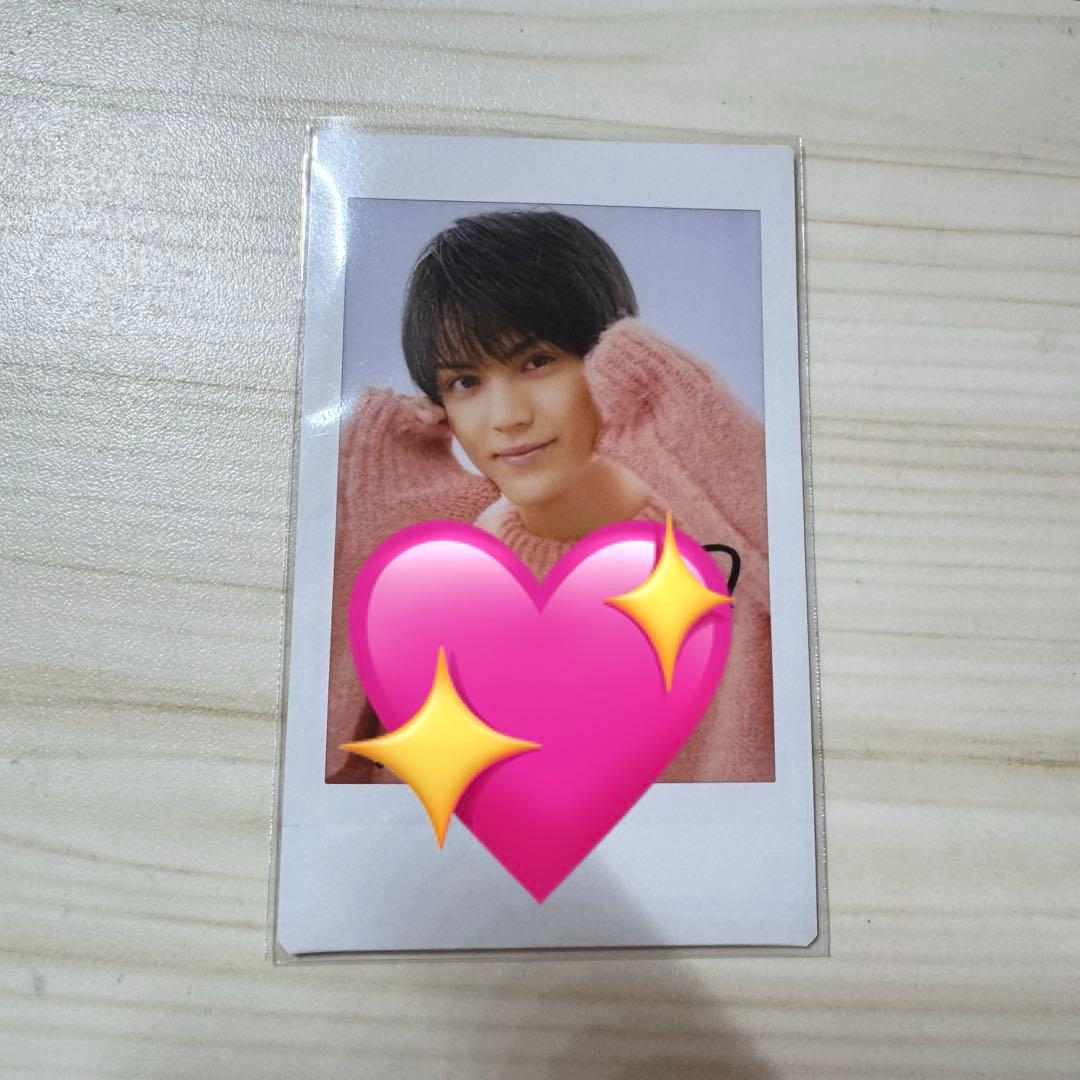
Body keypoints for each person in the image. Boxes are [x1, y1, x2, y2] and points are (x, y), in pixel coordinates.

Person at [326, 210, 774, 784]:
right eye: (465, 382)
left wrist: (690, 421)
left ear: (611, 356)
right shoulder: (444, 588)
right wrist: (370, 538)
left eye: (537, 362)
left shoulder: (728, 559)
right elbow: (338, 780)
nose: (507, 417)